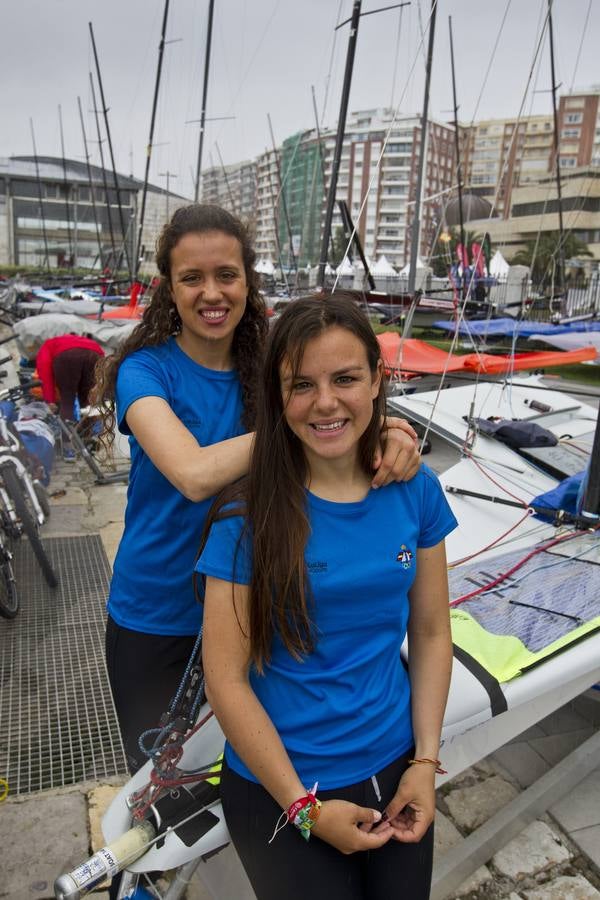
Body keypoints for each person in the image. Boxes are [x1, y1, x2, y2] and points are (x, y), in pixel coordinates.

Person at [93, 205, 421, 778]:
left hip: (256, 608)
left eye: (226, 274)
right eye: (191, 278)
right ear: (169, 288)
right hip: (159, 615)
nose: (211, 292)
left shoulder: (269, 365)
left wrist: (388, 430)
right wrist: (297, 424)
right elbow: (193, 474)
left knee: (251, 769)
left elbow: (337, 402)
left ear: (248, 279)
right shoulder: (145, 372)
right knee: (161, 786)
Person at [197, 294, 458, 900]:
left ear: (377, 381)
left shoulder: (415, 489)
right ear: (277, 397)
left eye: (345, 379)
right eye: (302, 385)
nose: (326, 402)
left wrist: (425, 762)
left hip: (395, 766)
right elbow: (226, 679)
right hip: (282, 787)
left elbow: (429, 632)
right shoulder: (246, 519)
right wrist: (304, 808)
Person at [36, 333, 105, 462]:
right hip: (94, 354)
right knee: (87, 400)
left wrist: (50, 400)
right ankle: (88, 442)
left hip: (66, 358)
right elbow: (102, 355)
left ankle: (69, 448)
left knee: (67, 401)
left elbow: (45, 373)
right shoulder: (82, 340)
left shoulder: (47, 345)